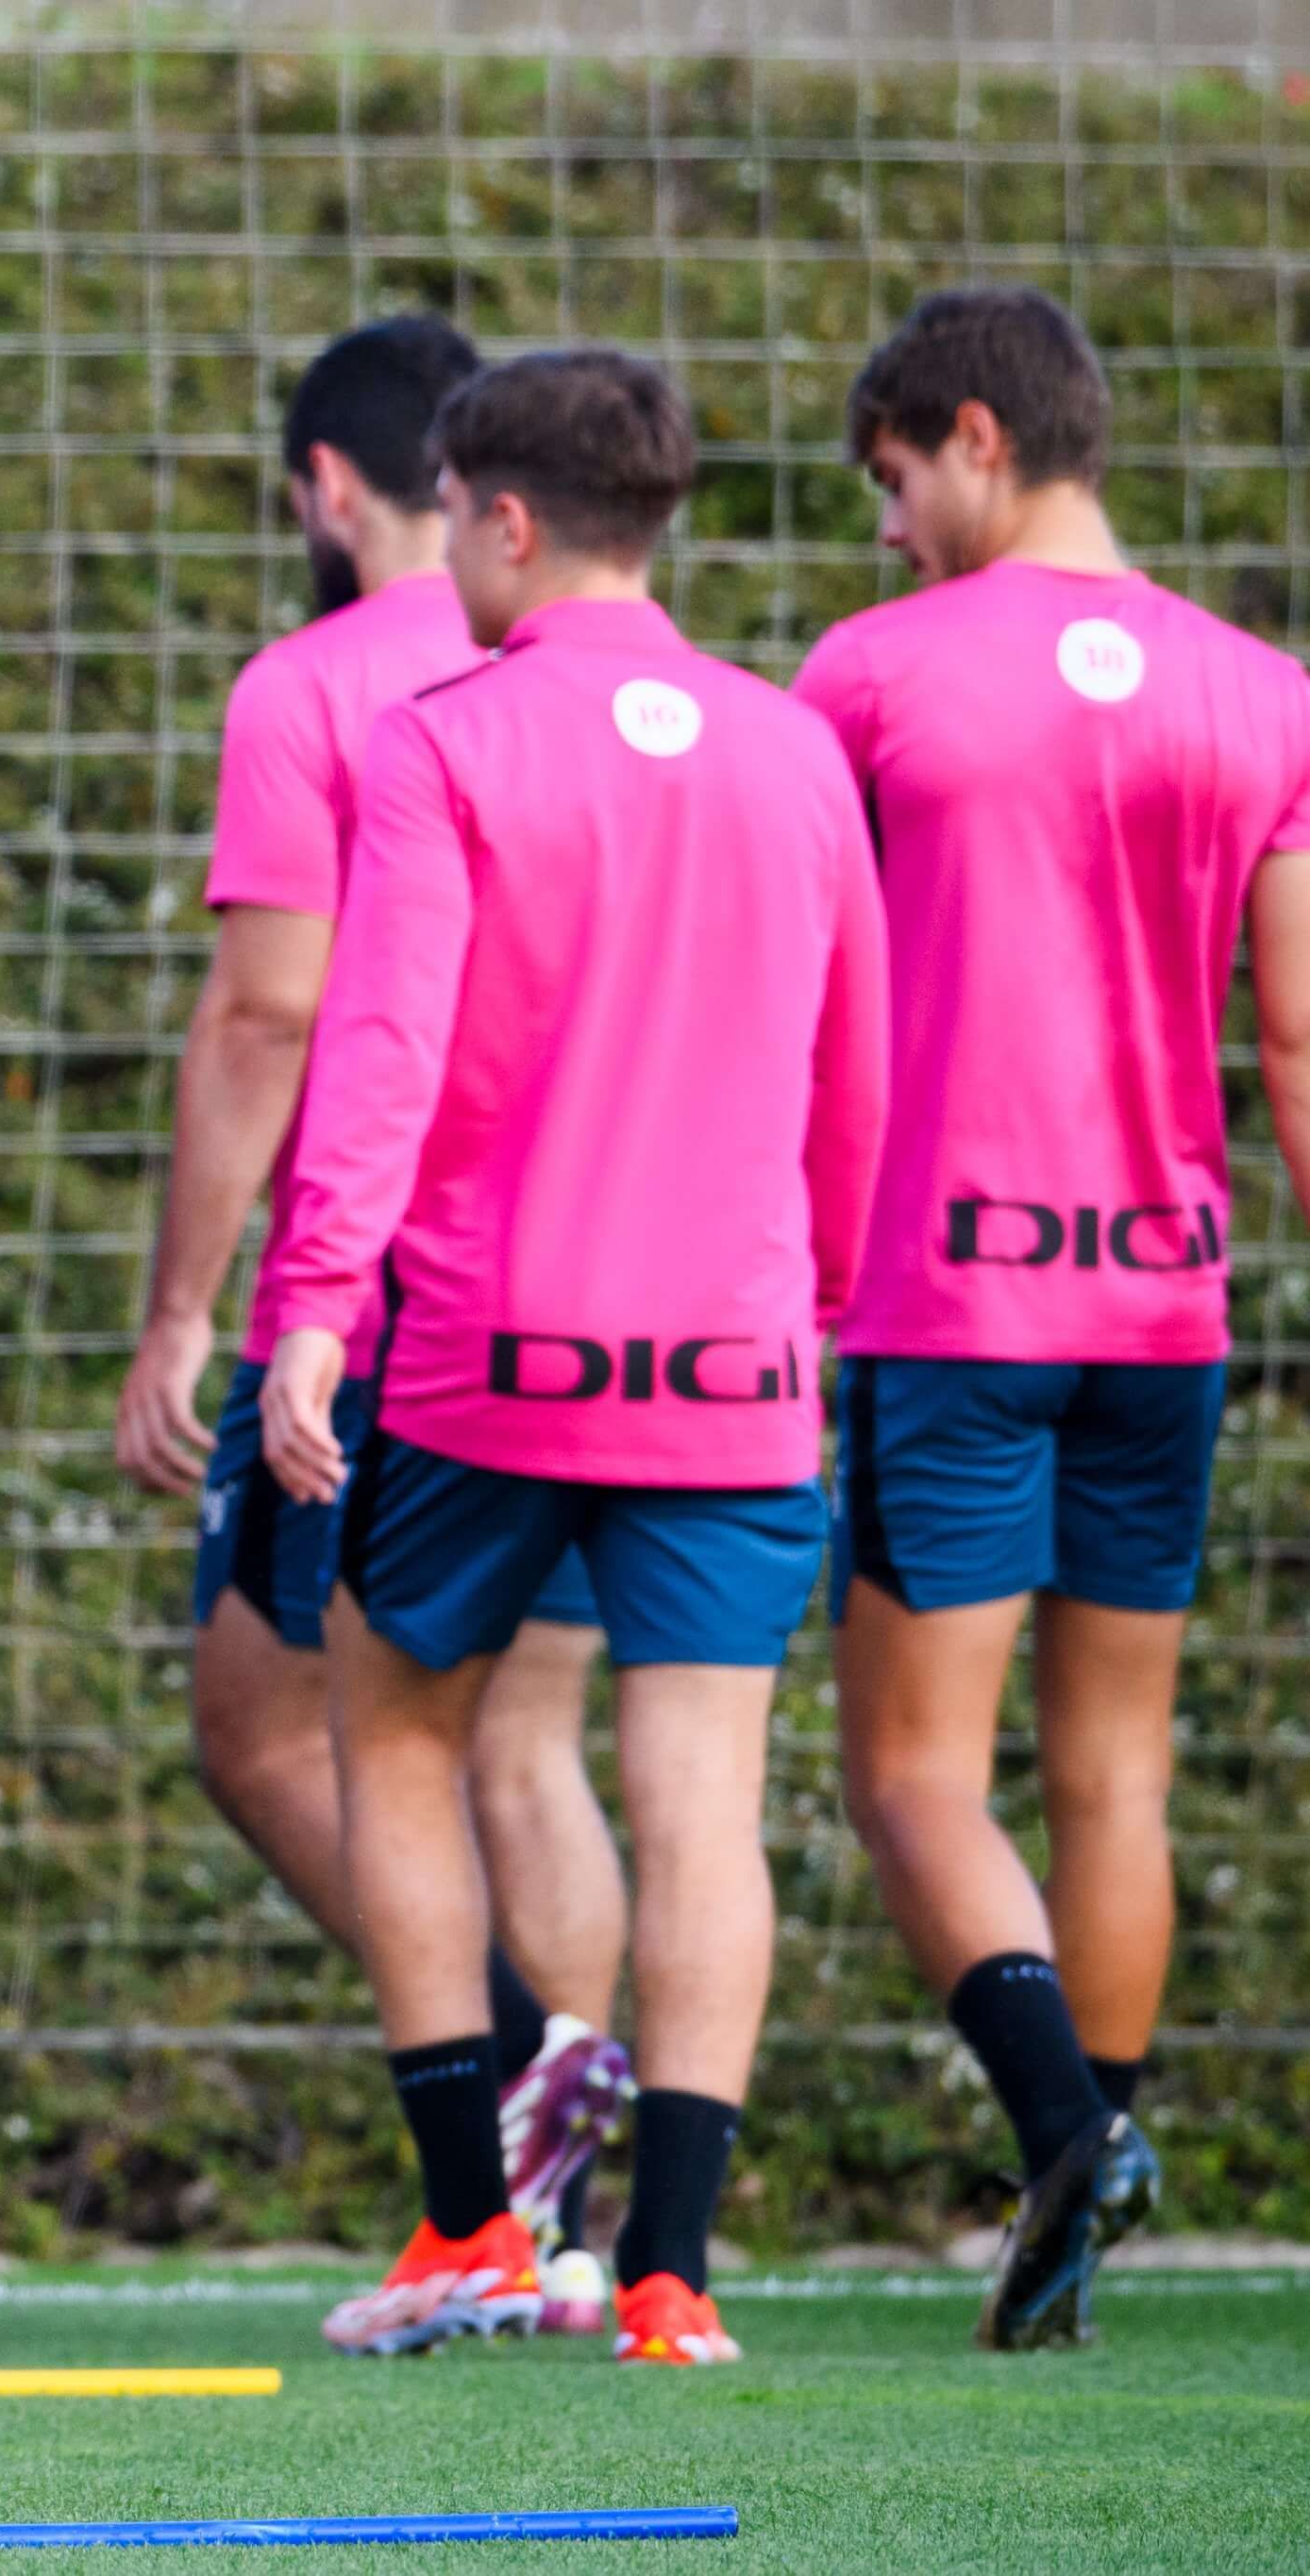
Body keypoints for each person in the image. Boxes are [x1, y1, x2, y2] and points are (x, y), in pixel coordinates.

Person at [259, 349, 885, 2373]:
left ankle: (465, 2226)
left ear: (502, 519)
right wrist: (819, 1310)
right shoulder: (792, 750)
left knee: (394, 1728)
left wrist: (309, 1308)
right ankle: (664, 2279)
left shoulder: (442, 739)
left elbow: (376, 1055)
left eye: (448, 519)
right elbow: (851, 1078)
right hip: (731, 1369)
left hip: (484, 1360)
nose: (442, 552)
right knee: (697, 1792)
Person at [798, 285, 1310, 2350]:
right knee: (1113, 1765)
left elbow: (795, 995)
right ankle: (1075, 2212)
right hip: (1161, 1305)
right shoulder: (1258, 692)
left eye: (895, 483)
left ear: (975, 439)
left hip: (944, 1293)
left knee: (907, 1775)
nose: (889, 530)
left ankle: (1056, 2139)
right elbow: (1292, 1036)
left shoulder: (862, 676)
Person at [110, 314, 634, 2329]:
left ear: (329, 486)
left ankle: (496, 2123)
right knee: (530, 1743)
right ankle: (574, 2178)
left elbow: (263, 1016)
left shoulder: (320, 683)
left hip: (379, 1302)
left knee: (270, 1727)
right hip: (614, 1302)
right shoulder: (643, 694)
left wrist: (184, 1310)